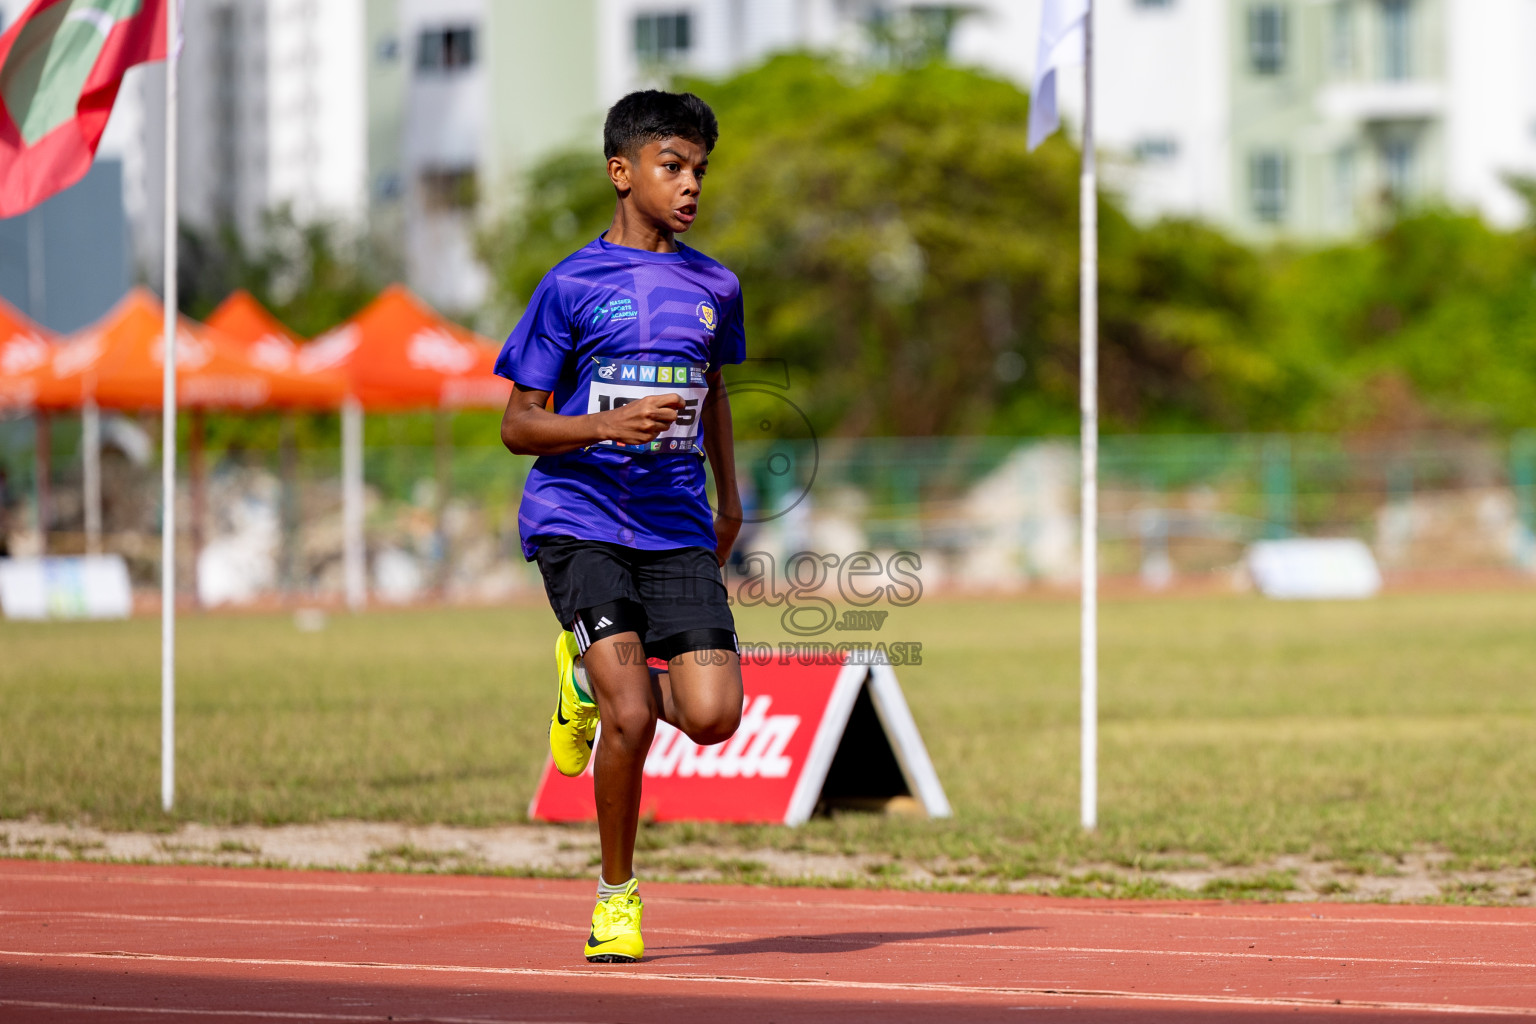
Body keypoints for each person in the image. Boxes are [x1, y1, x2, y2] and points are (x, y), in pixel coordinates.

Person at [495, 90, 745, 964]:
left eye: (699, 171)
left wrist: (730, 498)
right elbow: (519, 425)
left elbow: (713, 395)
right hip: (582, 516)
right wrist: (606, 422)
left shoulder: (718, 284)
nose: (689, 186)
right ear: (622, 171)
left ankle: (580, 680)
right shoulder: (570, 284)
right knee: (633, 713)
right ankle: (616, 898)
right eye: (672, 166)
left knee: (713, 718)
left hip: (676, 523)